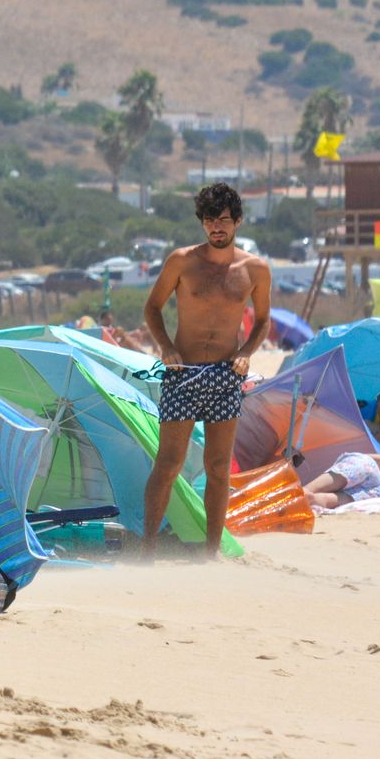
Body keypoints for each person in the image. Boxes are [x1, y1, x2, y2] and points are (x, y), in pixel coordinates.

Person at [141, 183, 271, 560]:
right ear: (202, 223)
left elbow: (262, 320)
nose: (217, 228)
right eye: (210, 221)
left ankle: (211, 552)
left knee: (217, 466)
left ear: (238, 222)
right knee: (169, 463)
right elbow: (152, 308)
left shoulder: (255, 269)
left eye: (224, 221)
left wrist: (247, 352)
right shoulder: (181, 261)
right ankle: (147, 549)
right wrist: (166, 346)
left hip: (225, 375)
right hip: (183, 372)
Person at [303, 452, 380, 509]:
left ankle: (306, 492)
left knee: (339, 479)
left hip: (372, 491)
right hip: (373, 495)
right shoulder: (361, 459)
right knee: (333, 498)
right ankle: (310, 496)